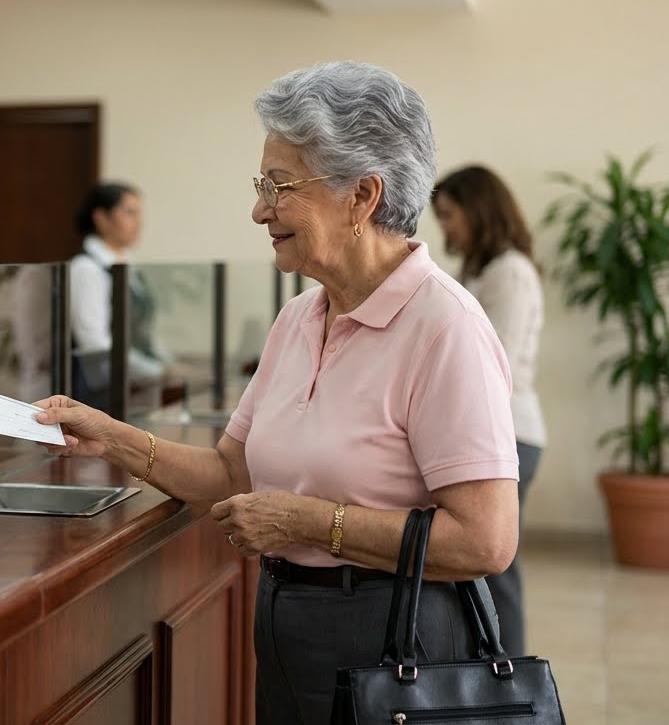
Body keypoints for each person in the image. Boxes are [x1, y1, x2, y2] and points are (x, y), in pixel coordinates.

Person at [34, 62, 520, 724]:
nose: (259, 209)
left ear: (362, 196)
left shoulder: (445, 326)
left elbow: (485, 542)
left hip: (396, 642)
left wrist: (305, 522)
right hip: (288, 628)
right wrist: (109, 436)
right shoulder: (298, 317)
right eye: (261, 185)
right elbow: (231, 472)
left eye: (278, 185)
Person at [433, 164, 545, 657]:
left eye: (449, 215)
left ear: (478, 210)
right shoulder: (481, 271)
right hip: (494, 435)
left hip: (512, 435)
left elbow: (495, 366)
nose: (445, 228)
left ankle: (511, 675)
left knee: (496, 565)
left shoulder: (511, 273)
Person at [68, 182, 168, 408]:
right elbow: (95, 343)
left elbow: (143, 333)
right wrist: (154, 370)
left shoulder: (129, 266)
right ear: (102, 218)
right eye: (129, 213)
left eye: (139, 214)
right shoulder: (86, 268)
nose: (138, 222)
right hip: (101, 393)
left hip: (134, 385)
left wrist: (166, 363)